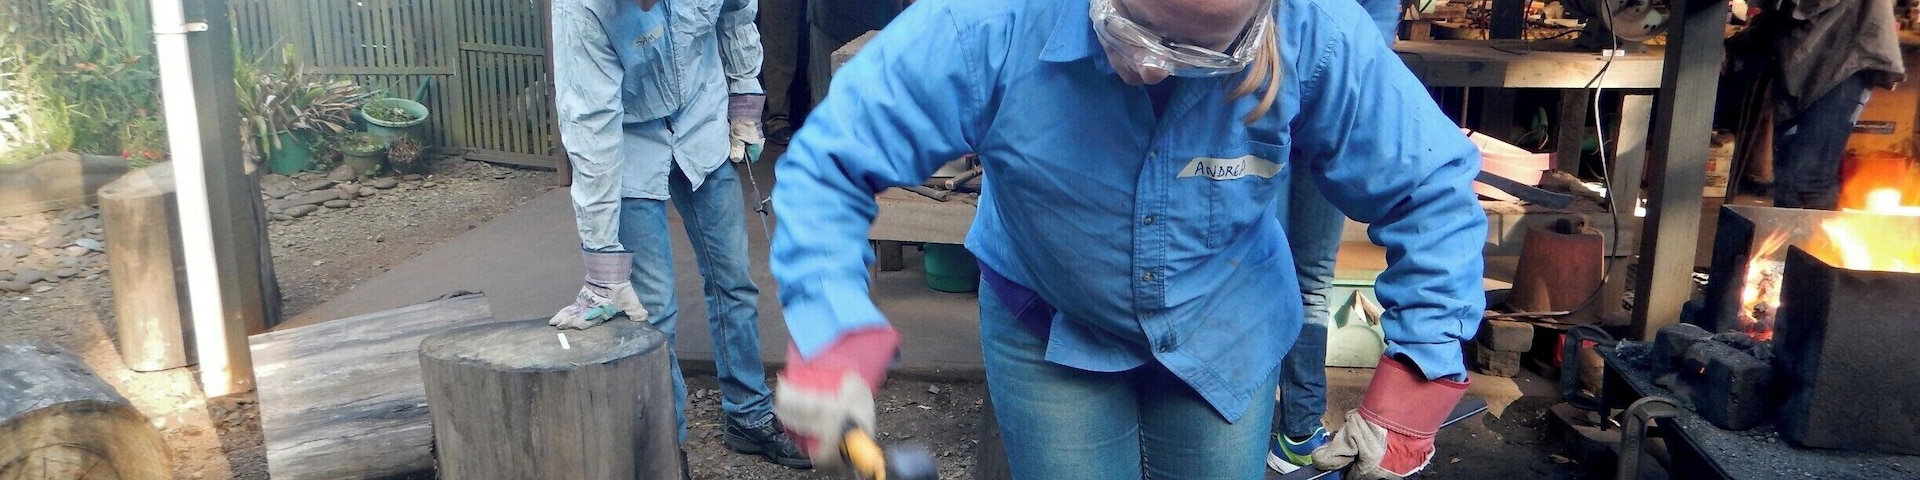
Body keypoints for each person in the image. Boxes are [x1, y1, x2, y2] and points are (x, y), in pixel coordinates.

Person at [770, 0, 1487, 478]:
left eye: (1193, 54)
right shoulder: (990, 21)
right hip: (1051, 320)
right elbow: (833, 159)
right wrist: (829, 327)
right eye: (1134, 34)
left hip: (1226, 322)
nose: (1151, 68)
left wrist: (1415, 382)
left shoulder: (1316, 29)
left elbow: (1428, 188)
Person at [546, 0, 810, 469]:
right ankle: (667, 446)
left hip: (701, 117)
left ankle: (748, 415)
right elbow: (590, 128)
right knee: (651, 310)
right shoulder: (582, 10)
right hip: (627, 140)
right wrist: (603, 259)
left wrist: (744, 102)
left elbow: (736, 13)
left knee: (734, 280)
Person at [1267, 0, 1402, 475]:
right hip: (1249, 105)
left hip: (1325, 116)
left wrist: (1348, 75)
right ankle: (1238, 419)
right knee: (1247, 266)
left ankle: (1299, 430)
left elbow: (1380, 15)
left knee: (1310, 281)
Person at [1733, 0, 1902, 210]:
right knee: (1787, 179)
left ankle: (1811, 242)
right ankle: (1791, 240)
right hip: (1802, 57)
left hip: (1845, 55)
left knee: (1808, 179)